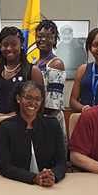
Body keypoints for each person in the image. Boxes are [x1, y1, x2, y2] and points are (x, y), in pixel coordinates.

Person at [0, 81, 66, 186]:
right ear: (18, 98)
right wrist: (34, 178)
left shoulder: (52, 124)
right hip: (17, 184)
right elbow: (5, 166)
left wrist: (52, 175)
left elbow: (61, 163)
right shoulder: (6, 126)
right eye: (28, 98)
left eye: (37, 99)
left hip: (48, 186)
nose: (33, 103)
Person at [0, 26, 44, 119]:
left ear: (21, 45)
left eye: (13, 44)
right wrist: (0, 117)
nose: (9, 48)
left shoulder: (33, 71)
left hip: (24, 125)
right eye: (5, 45)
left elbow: (40, 103)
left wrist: (14, 117)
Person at [32, 20, 67, 150]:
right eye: (40, 36)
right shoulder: (34, 63)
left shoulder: (56, 63)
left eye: (48, 36)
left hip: (49, 121)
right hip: (35, 118)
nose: (43, 39)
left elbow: (53, 104)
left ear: (55, 40)